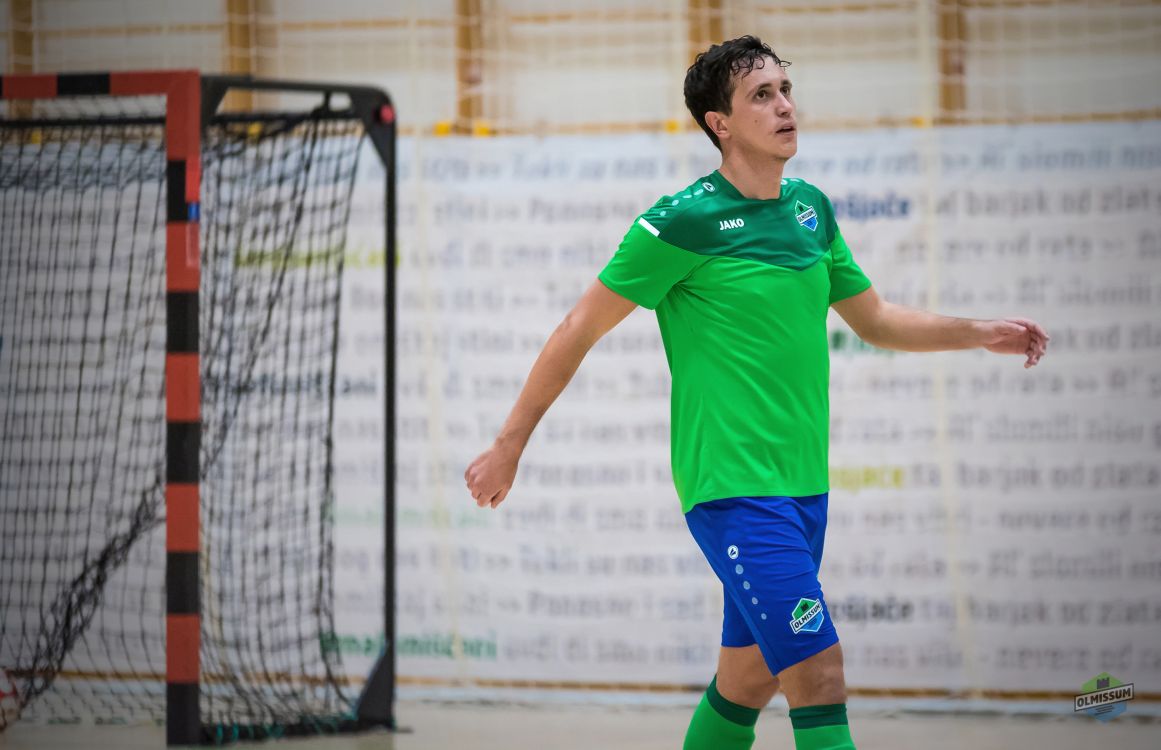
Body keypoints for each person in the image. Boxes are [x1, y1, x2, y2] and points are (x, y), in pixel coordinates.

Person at [464, 35, 1049, 750]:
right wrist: (508, 446)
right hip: (735, 490)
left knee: (747, 680)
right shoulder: (681, 221)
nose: (784, 107)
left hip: (803, 488)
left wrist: (980, 332)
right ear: (720, 123)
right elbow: (575, 330)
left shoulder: (811, 211)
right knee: (818, 674)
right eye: (761, 96)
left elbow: (875, 319)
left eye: (785, 90)